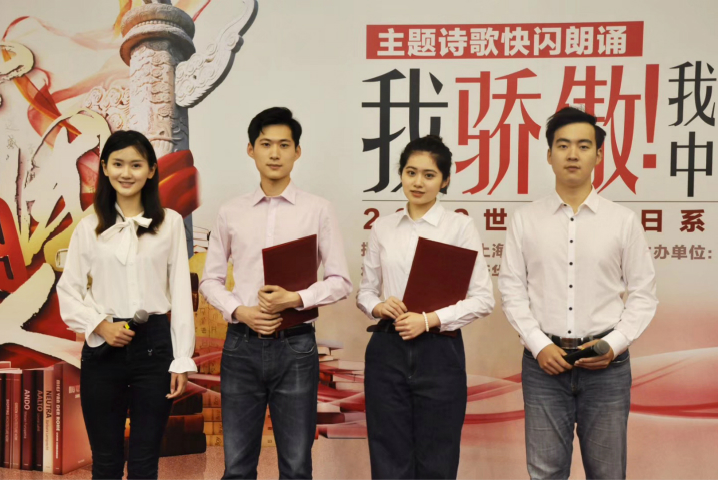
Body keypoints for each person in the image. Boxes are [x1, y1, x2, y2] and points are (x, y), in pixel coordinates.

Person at [498, 106, 658, 479]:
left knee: (607, 473)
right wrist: (539, 345)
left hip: (607, 367)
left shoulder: (622, 221)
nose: (573, 154)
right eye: (563, 145)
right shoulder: (524, 220)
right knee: (545, 473)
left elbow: (644, 293)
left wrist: (613, 344)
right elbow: (511, 290)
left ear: (598, 155)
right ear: (549, 154)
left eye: (583, 146)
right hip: (543, 365)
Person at [199, 107, 352, 479]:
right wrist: (242, 311)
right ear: (250, 149)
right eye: (266, 144)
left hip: (296, 346)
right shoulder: (231, 211)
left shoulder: (318, 210)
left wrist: (295, 299)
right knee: (237, 467)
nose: (275, 153)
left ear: (297, 152)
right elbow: (210, 281)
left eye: (284, 145)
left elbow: (341, 281)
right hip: (241, 345)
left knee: (296, 466)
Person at [57, 130, 196, 479]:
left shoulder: (170, 223)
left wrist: (181, 359)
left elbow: (181, 294)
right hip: (104, 351)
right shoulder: (89, 227)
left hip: (155, 348)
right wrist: (101, 326)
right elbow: (68, 291)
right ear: (105, 168)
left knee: (145, 463)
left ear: (151, 170)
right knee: (105, 462)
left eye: (136, 165)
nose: (126, 173)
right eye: (118, 164)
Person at [356, 135, 494, 479]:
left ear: (444, 180)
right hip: (387, 349)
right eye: (411, 172)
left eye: (429, 175)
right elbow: (366, 292)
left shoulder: (459, 226)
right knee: (388, 454)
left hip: (439, 352)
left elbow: (483, 299)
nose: (418, 182)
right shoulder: (384, 227)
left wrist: (430, 319)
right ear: (401, 174)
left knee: (438, 456)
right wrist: (379, 307)